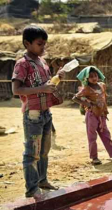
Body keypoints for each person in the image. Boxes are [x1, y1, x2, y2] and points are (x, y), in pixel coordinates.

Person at [11, 25, 63, 198]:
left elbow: (47, 86)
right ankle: (32, 188)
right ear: (27, 43)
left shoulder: (43, 63)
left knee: (44, 151)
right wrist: (42, 88)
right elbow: (16, 89)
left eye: (44, 44)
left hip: (46, 113)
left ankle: (42, 180)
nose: (43, 47)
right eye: (40, 44)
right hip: (32, 114)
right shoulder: (22, 64)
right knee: (32, 152)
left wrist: (56, 79)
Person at [72, 66, 112, 165]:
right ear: (87, 79)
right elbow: (75, 98)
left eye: (96, 75)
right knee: (92, 137)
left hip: (102, 115)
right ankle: (94, 158)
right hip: (91, 115)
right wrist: (88, 105)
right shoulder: (86, 89)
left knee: (106, 135)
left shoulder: (102, 85)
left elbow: (103, 97)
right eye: (91, 76)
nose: (94, 78)